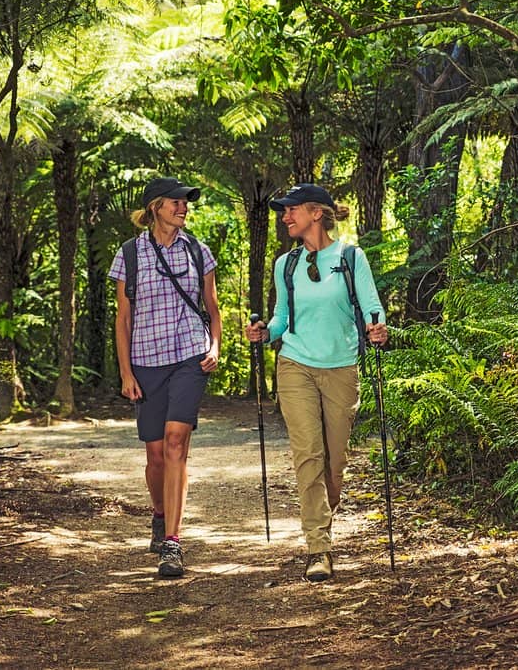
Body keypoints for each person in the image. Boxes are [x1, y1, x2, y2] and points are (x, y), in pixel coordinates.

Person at [245, 183, 388, 583]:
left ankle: (323, 519)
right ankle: (318, 547)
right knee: (308, 454)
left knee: (333, 463)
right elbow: (281, 318)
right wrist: (265, 332)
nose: (285, 217)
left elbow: (372, 307)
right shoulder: (285, 264)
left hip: (342, 367)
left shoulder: (350, 258)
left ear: (316, 213)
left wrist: (378, 329)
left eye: (292, 210)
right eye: (284, 211)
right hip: (295, 364)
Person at [108, 176, 222, 578]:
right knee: (155, 456)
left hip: (190, 356)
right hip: (146, 360)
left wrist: (214, 347)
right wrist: (126, 372)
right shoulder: (129, 254)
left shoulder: (198, 251)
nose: (183, 207)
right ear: (156, 207)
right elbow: (123, 318)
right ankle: (159, 514)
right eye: (176, 202)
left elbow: (212, 308)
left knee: (176, 443)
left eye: (186, 202)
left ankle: (173, 542)